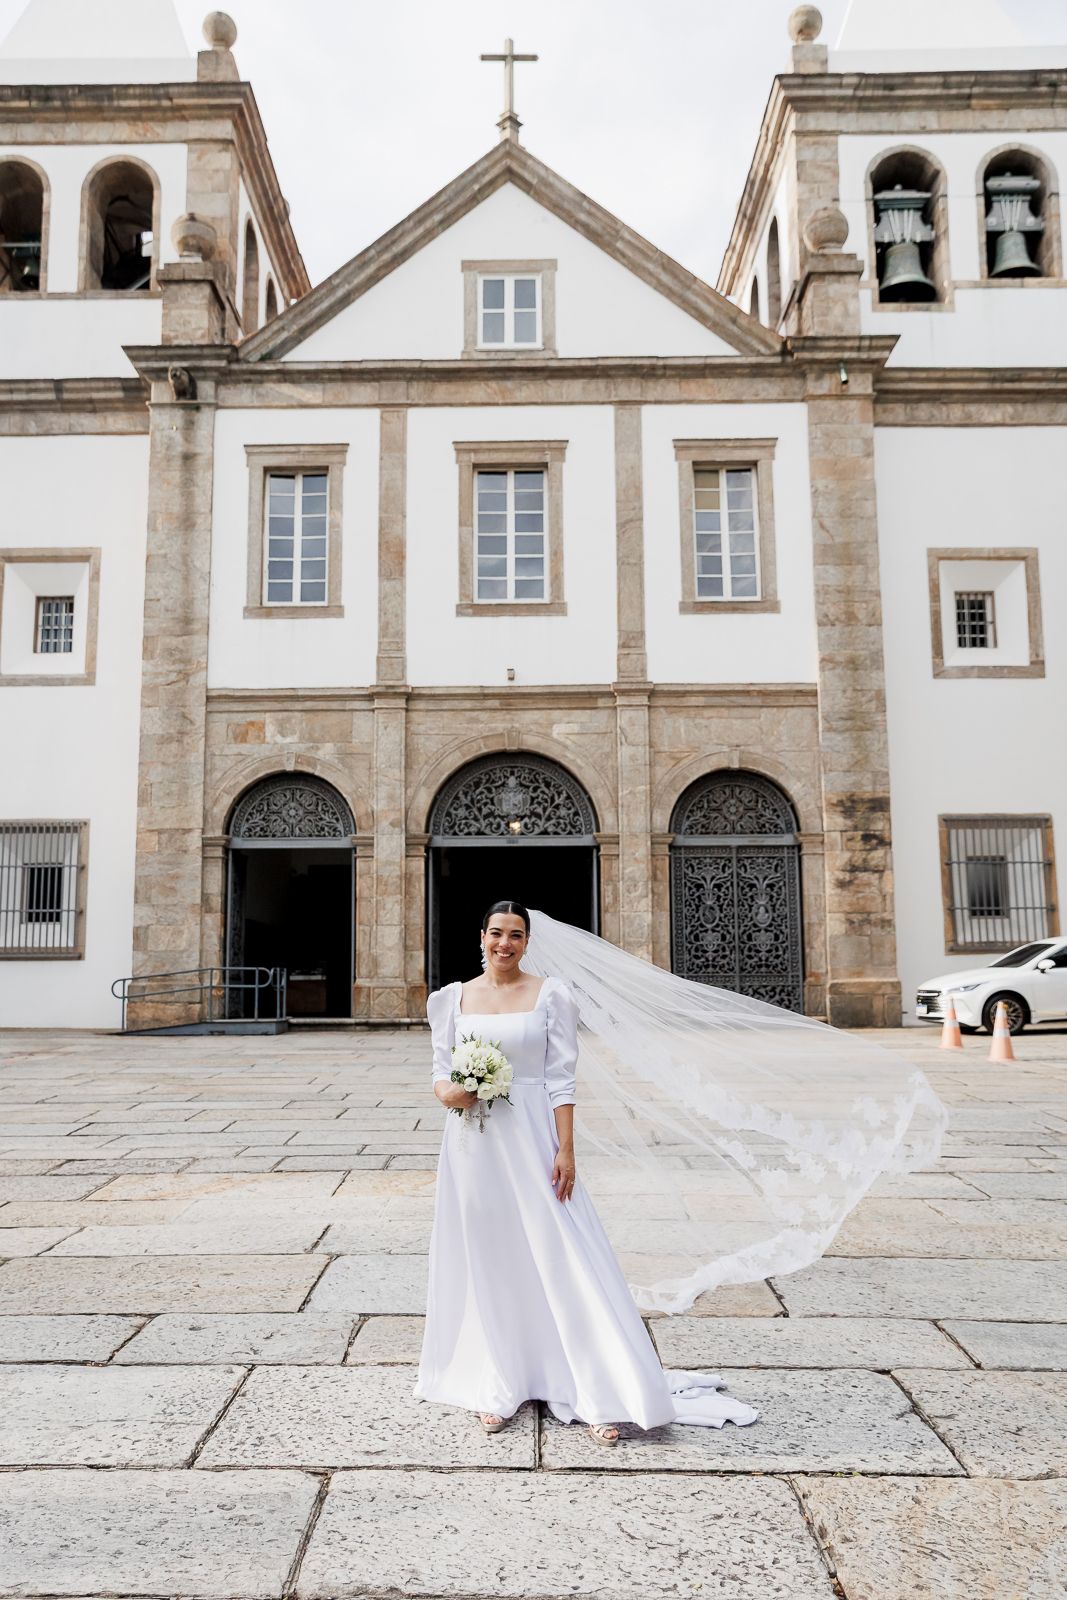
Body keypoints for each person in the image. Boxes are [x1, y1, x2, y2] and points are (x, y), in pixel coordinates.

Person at [411, 899, 761, 1443]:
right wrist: (454, 1091)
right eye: (497, 933)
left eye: (517, 935)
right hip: (473, 1144)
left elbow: (561, 1079)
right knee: (492, 1258)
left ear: (528, 943)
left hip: (532, 1136)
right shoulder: (451, 1000)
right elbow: (439, 1072)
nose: (505, 944)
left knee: (562, 1252)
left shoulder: (552, 995)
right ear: (480, 936)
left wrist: (566, 1149)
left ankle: (595, 1386)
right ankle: (501, 1381)